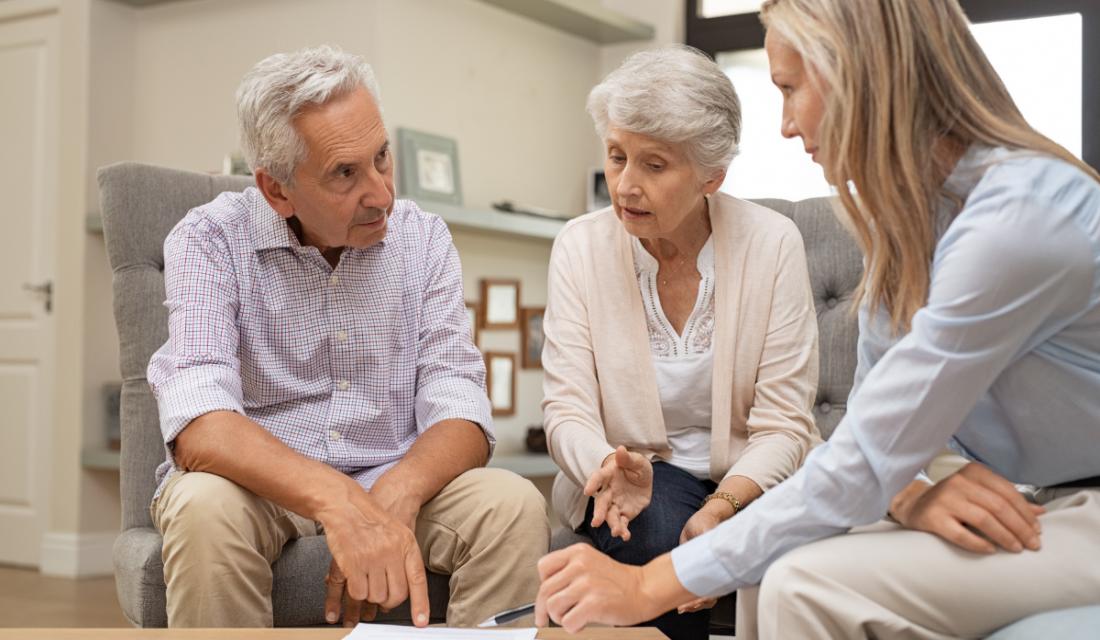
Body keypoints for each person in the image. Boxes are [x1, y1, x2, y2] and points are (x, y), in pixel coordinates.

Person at [534, 1, 1100, 637]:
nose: (783, 125)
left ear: (857, 75)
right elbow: (871, 423)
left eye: (789, 88)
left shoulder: (1017, 220)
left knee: (797, 585)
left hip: (1079, 509)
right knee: (778, 564)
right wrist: (912, 491)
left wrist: (646, 585)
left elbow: (855, 456)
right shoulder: (910, 226)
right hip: (1024, 500)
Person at [147, 45, 548, 628]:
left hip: (391, 472)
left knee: (511, 505)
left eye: (382, 157)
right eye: (345, 173)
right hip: (255, 489)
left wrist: (397, 493)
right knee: (202, 508)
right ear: (277, 190)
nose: (382, 193)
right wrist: (340, 504)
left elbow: (461, 405)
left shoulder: (424, 239)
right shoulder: (208, 240)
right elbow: (200, 424)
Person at [540, 45, 820, 639]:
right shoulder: (580, 246)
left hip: (753, 475)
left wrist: (725, 506)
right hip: (636, 477)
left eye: (655, 165)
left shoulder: (773, 244)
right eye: (617, 157)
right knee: (655, 524)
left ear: (711, 175)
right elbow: (566, 410)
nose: (626, 185)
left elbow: (784, 426)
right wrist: (608, 468)